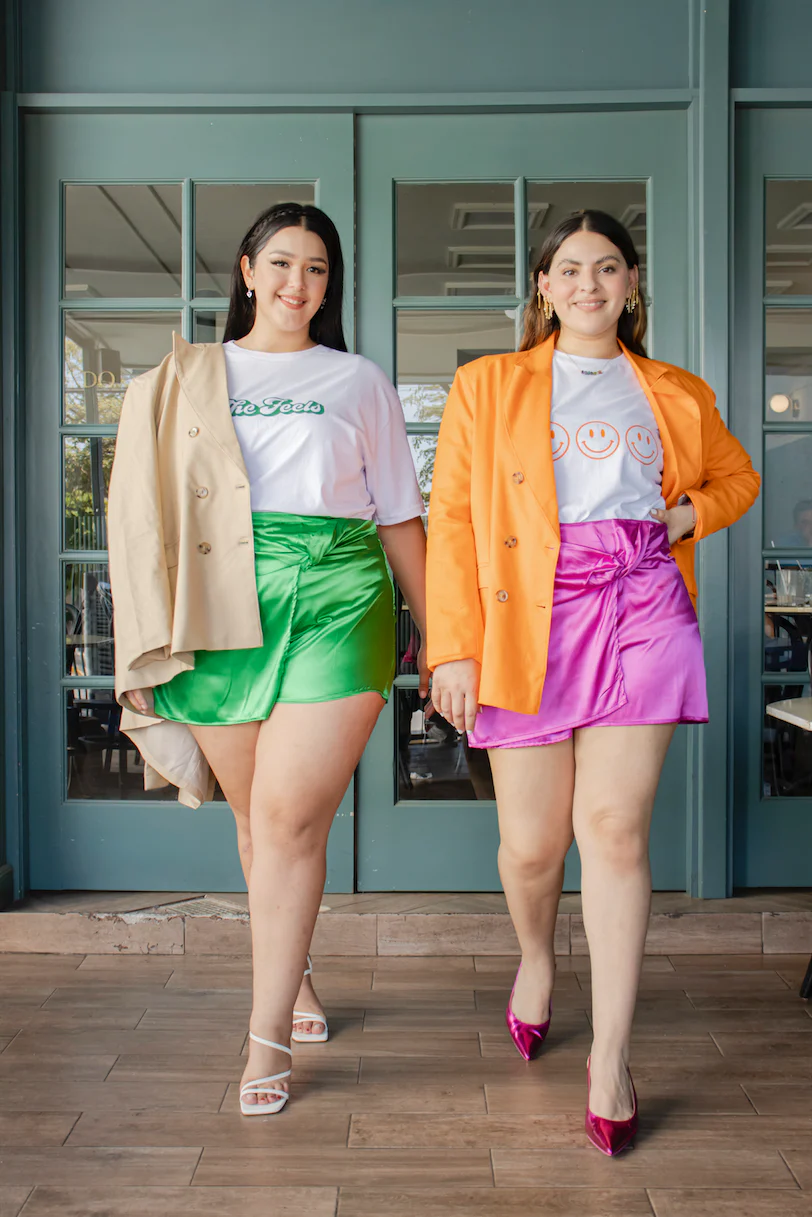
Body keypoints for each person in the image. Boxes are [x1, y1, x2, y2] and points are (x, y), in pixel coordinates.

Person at [426, 209, 759, 1155]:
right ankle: (537, 957)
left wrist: (687, 517)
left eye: (607, 267)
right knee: (533, 847)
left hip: (643, 600)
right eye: (569, 268)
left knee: (612, 830)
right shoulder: (487, 385)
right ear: (543, 286)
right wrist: (453, 647)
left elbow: (736, 477)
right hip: (526, 611)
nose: (588, 284)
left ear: (631, 283)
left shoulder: (675, 390)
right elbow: (451, 517)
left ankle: (611, 1056)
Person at [108, 203, 428, 1116]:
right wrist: (141, 638)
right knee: (256, 822)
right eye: (282, 262)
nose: (298, 282)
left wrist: (445, 635)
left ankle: (265, 1036)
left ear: (331, 285)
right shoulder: (183, 379)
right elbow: (139, 520)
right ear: (247, 270)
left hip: (338, 595)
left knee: (288, 820)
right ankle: (299, 973)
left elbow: (401, 518)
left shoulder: (358, 380)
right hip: (219, 601)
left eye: (316, 268)